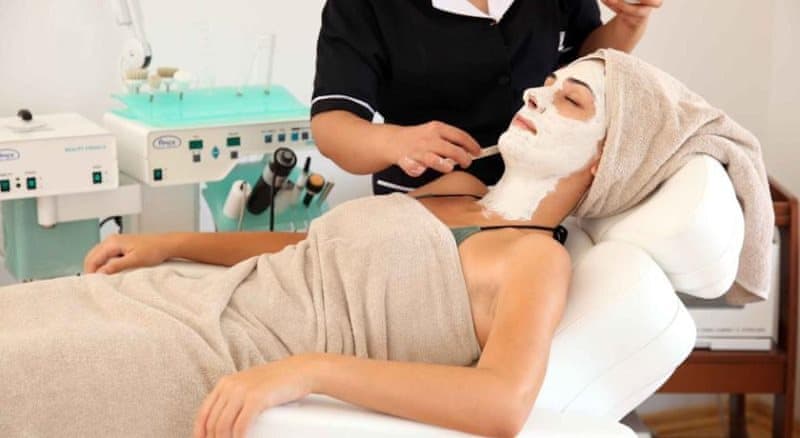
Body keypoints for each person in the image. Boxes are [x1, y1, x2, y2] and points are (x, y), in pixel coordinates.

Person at [0, 58, 606, 438]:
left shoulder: (536, 260)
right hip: (192, 297)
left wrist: (307, 371)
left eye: (571, 100)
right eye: (548, 83)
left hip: (220, 351)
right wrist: (169, 244)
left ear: (608, 157)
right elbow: (310, 247)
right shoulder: (461, 188)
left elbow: (502, 405)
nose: (536, 95)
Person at [310, 0, 661, 195]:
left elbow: (581, 67)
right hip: (426, 204)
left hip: (541, 192)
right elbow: (333, 124)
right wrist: (397, 142)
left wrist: (629, 21)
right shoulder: (364, 7)